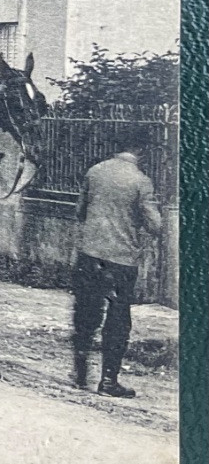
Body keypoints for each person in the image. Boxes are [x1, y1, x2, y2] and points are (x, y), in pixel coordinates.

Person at [72, 128, 163, 397]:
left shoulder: (95, 171)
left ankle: (80, 374)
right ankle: (108, 381)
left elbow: (80, 211)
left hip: (89, 254)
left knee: (86, 313)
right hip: (121, 260)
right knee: (117, 318)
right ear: (141, 151)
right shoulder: (141, 181)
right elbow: (155, 225)